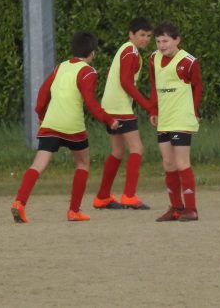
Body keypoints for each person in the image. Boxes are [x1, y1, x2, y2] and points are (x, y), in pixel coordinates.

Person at [11, 31, 119, 223]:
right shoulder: (89, 72)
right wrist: (109, 120)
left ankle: (19, 202)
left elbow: (43, 93)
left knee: (38, 164)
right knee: (83, 163)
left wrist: (41, 116)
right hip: (72, 126)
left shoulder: (60, 67)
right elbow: (91, 102)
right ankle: (74, 211)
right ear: (92, 52)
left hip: (51, 123)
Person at [93, 17, 154, 210]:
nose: (146, 39)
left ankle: (102, 197)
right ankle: (129, 196)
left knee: (118, 151)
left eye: (148, 36)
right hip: (120, 108)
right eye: (142, 35)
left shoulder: (126, 49)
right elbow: (126, 82)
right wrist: (147, 105)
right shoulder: (131, 51)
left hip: (110, 106)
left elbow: (117, 78)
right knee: (137, 148)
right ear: (131, 34)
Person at [148, 21, 202, 222]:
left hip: (181, 117)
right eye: (158, 41)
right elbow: (154, 84)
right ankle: (176, 208)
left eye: (166, 41)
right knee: (168, 163)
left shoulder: (188, 61)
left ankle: (191, 209)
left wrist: (194, 111)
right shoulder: (153, 58)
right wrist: (154, 109)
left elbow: (197, 87)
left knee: (181, 162)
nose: (162, 45)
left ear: (177, 40)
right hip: (165, 118)